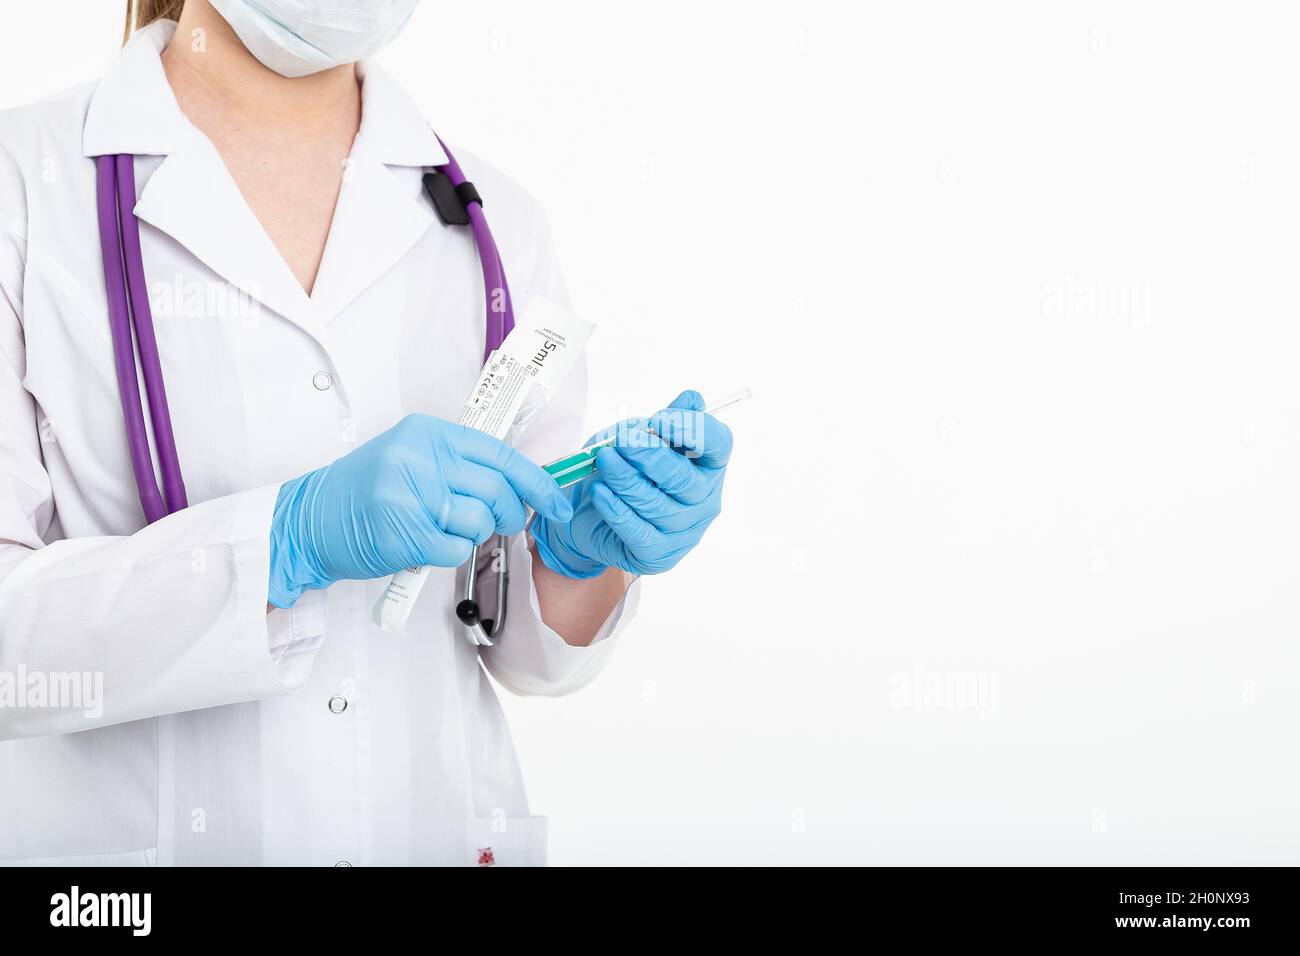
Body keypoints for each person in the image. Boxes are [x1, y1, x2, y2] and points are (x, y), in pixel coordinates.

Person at [0, 0, 732, 866]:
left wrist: (580, 562)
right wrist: (282, 542)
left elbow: (528, 652)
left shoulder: (497, 221)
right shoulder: (26, 187)